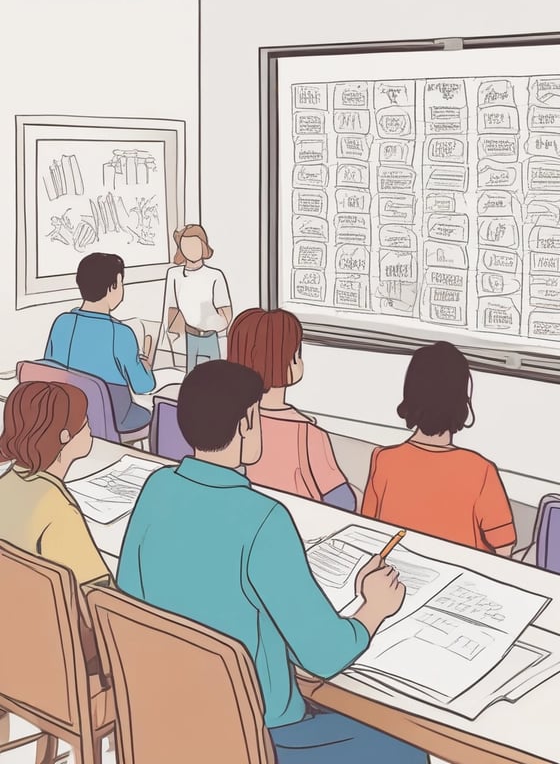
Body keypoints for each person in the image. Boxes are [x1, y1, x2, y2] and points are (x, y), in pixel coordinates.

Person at [117, 361, 426, 764]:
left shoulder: (156, 487)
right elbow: (324, 656)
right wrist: (374, 608)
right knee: (408, 753)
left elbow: (129, 598)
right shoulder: (263, 518)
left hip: (172, 717)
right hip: (261, 735)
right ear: (246, 422)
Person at [362, 341, 517, 555]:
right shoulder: (481, 471)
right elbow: (504, 549)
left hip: (398, 578)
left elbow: (370, 531)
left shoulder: (382, 460)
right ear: (462, 402)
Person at [0, 381, 110, 676]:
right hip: (57, 662)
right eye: (85, 422)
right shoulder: (57, 509)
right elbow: (99, 603)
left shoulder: (5, 485)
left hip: (11, 644)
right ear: (65, 436)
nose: (89, 430)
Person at [228, 308, 356, 511]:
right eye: (296, 353)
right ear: (288, 361)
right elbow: (342, 499)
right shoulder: (307, 433)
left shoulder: (228, 421)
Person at [44, 252, 155, 433]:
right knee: (153, 411)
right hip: (114, 416)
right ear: (112, 287)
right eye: (121, 283)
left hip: (67, 413)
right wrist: (146, 365)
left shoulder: (62, 322)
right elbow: (144, 386)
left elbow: (50, 368)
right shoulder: (121, 333)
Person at [164, 224, 232, 374]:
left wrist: (214, 324)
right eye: (186, 246)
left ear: (204, 246)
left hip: (211, 336)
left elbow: (225, 312)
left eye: (195, 245)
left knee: (214, 379)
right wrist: (174, 337)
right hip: (189, 337)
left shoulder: (215, 275)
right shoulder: (174, 275)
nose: (191, 250)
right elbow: (172, 310)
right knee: (191, 379)